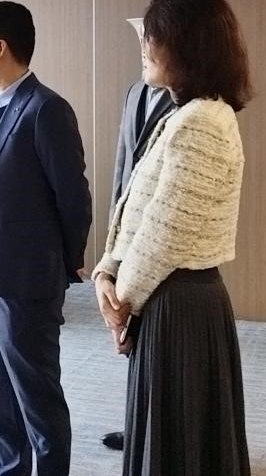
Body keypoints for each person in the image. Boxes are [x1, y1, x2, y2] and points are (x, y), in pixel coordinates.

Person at [92, 0, 252, 475]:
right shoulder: (186, 113)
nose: (144, 47)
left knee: (177, 444)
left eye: (153, 37)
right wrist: (107, 271)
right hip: (167, 296)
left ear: (188, 46)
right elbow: (138, 211)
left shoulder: (200, 122)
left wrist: (121, 306)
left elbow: (165, 234)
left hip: (177, 303)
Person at [0, 0, 92, 475]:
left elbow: (73, 198)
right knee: (0, 395)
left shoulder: (46, 109)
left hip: (27, 283)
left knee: (38, 400)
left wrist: (63, 267)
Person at [100, 71, 176, 453]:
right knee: (131, 334)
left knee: (158, 341)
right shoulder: (134, 92)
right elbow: (123, 161)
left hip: (165, 237)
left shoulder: (189, 96)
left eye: (149, 42)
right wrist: (113, 230)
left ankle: (160, 431)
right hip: (129, 231)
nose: (144, 48)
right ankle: (137, 425)